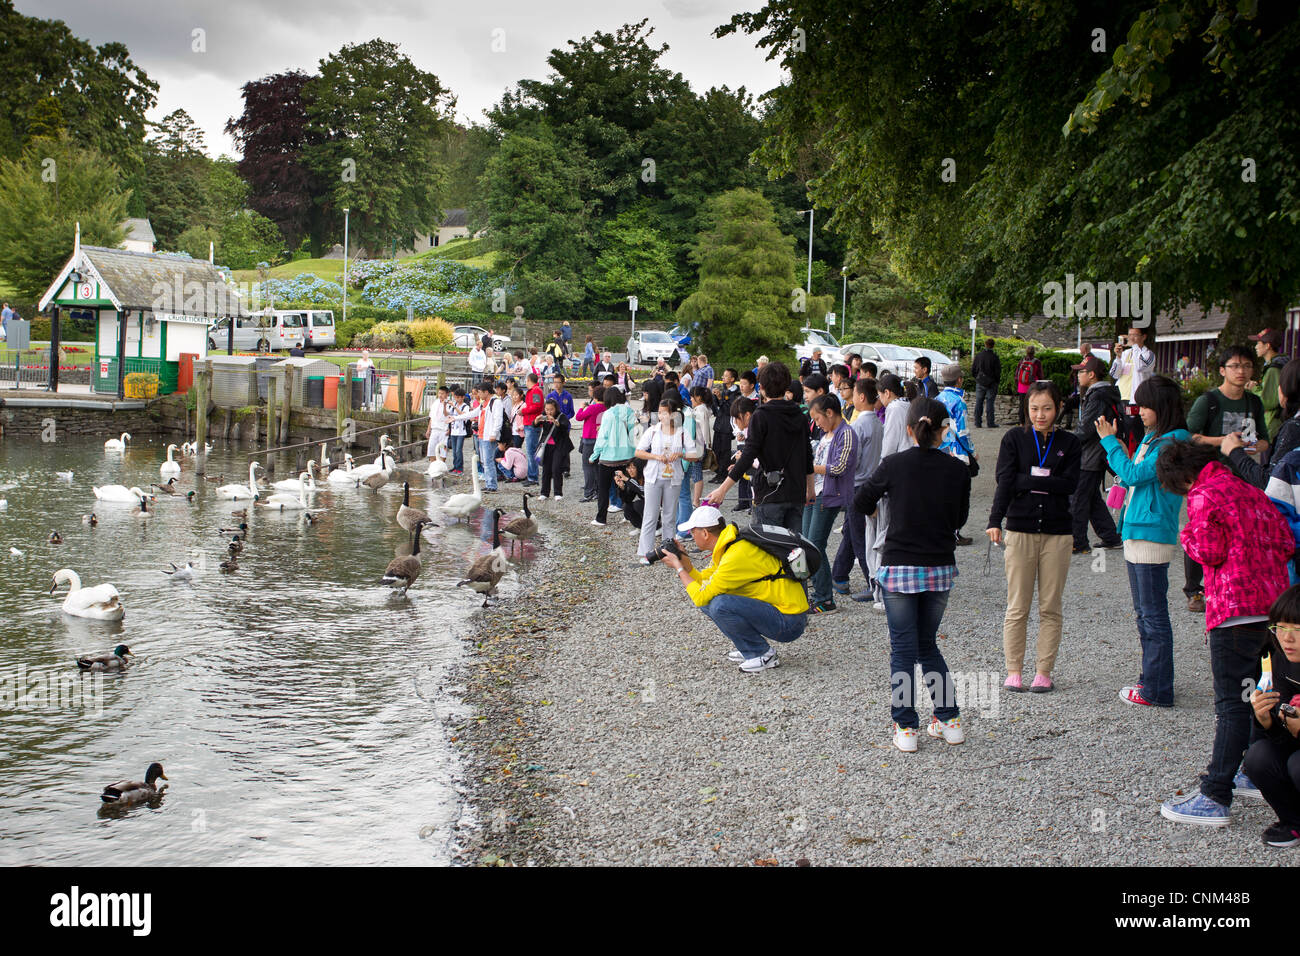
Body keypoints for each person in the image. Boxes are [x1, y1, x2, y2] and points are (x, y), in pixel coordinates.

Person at [1155, 439, 1294, 826]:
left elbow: (1210, 551)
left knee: (1231, 702)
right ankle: (1250, 770)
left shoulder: (1203, 494)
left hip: (1233, 611)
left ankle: (1216, 793)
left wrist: (1186, 535)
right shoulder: (1250, 490)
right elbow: (1285, 542)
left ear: (1182, 476)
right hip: (1272, 610)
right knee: (1258, 693)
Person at [856, 397, 971, 751]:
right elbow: (960, 521)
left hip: (900, 567)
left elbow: (860, 499)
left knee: (903, 649)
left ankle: (906, 727)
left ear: (909, 429)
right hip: (938, 569)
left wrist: (879, 511)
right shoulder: (957, 469)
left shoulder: (893, 465)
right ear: (943, 430)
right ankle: (949, 720)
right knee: (927, 645)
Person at [1097, 375, 1192, 708]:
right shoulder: (1156, 437)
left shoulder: (1173, 442)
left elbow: (1137, 476)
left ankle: (1157, 690)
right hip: (1138, 529)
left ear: (1161, 407)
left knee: (1152, 616)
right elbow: (1132, 476)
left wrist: (1110, 443)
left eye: (1145, 405)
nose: (1139, 412)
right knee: (1146, 615)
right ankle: (1151, 681)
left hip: (1151, 531)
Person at [986, 381, 1081, 694]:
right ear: (1027, 409)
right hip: (1020, 528)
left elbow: (1070, 484)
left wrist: (1027, 480)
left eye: (1047, 408)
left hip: (1057, 532)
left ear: (1058, 408)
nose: (1041, 414)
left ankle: (1043, 671)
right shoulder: (1015, 438)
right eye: (1035, 408)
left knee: (1050, 607)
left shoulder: (1070, 441)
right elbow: (1006, 481)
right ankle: (1014, 669)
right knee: (1018, 606)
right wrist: (994, 520)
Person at [659, 505, 809, 673]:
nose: (691, 537)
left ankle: (761, 653)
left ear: (705, 533)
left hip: (789, 623)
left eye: (693, 532)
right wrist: (687, 565)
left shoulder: (734, 556)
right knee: (712, 601)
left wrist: (679, 568)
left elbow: (700, 596)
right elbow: (704, 583)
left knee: (720, 604)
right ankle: (748, 645)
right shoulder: (730, 544)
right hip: (783, 612)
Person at [1182, 345, 1270, 611]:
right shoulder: (1209, 401)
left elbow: (1265, 439)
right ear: (1222, 370)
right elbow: (1189, 436)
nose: (1241, 371)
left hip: (1242, 473)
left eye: (1246, 366)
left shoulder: (1253, 401)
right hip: (1208, 475)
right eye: (1234, 366)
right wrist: (1224, 442)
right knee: (1202, 529)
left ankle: (1225, 582)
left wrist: (1255, 447)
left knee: (1238, 529)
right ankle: (1193, 589)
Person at [705, 362, 814, 534]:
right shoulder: (800, 414)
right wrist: (810, 488)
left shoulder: (761, 415)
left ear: (761, 387)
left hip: (770, 493)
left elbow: (748, 454)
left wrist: (722, 489)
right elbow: (808, 454)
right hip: (796, 492)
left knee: (767, 550)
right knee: (793, 551)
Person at [1243, 585, 1300, 847]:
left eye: (1297, 630)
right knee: (1258, 756)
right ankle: (1293, 822)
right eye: (1280, 627)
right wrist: (1265, 720)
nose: (1287, 638)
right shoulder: (1278, 660)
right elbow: (1280, 738)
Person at [803, 393, 857, 613]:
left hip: (830, 495)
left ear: (830, 413)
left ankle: (825, 598)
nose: (817, 424)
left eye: (818, 419)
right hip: (814, 492)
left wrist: (808, 467)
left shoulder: (847, 434)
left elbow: (838, 467)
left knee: (815, 544)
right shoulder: (827, 434)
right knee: (807, 544)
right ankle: (817, 593)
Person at [832, 378, 882, 602]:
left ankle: (873, 582)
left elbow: (853, 460)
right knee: (852, 532)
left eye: (853, 394)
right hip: (871, 481)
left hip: (858, 484)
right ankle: (839, 575)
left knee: (860, 536)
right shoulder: (879, 423)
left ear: (861, 397)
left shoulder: (859, 425)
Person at [1070, 354, 1125, 553]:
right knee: (1091, 497)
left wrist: (1066, 444)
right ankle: (1111, 537)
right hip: (1098, 453)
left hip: (1091, 455)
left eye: (1081, 372)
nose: (1078, 375)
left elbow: (1087, 429)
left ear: (1091, 374)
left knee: (1078, 498)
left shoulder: (1098, 395)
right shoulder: (1104, 393)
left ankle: (1077, 542)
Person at [635, 398, 694, 564]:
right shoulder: (653, 431)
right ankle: (646, 553)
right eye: (659, 412)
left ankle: (668, 551)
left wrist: (681, 454)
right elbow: (639, 451)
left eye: (664, 412)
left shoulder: (682, 433)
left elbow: (695, 455)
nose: (661, 416)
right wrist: (655, 456)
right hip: (654, 476)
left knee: (669, 516)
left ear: (674, 414)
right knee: (650, 514)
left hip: (673, 478)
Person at [937, 364, 975, 546]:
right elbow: (962, 431)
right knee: (958, 495)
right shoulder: (958, 402)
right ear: (959, 380)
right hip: (957, 452)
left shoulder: (938, 398)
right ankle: (955, 531)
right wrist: (971, 452)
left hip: (941, 449)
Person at [589, 385, 638, 526]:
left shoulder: (608, 414)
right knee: (625, 486)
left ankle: (601, 518)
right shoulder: (629, 411)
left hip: (609, 458)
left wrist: (594, 455)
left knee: (603, 488)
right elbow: (634, 433)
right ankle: (628, 516)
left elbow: (602, 437)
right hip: (627, 456)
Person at [1111, 325, 1156, 445]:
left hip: (1135, 399)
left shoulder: (1148, 354)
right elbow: (1114, 374)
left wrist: (1134, 346)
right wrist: (1118, 357)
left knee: (1134, 429)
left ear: (1144, 337)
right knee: (1120, 428)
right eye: (1129, 335)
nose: (1131, 338)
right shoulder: (1126, 354)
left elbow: (1141, 366)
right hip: (1120, 397)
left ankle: (1138, 454)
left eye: (1135, 335)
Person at [1250, 328, 1289, 443]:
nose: (1255, 347)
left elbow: (1268, 402)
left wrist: (1253, 388)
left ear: (1267, 346)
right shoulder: (1282, 363)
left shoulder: (1273, 369)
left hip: (1273, 426)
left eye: (1258, 343)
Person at [536, 398, 573, 500]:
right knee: (546, 469)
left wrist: (557, 424)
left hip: (559, 446)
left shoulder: (561, 416)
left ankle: (558, 493)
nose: (549, 411)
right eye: (547, 409)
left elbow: (566, 428)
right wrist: (536, 421)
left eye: (551, 409)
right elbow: (536, 425)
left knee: (556, 469)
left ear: (556, 408)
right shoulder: (544, 416)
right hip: (546, 446)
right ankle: (544, 493)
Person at [575, 384, 606, 502]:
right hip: (601, 440)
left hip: (589, 438)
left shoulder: (592, 407)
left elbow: (579, 417)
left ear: (595, 396)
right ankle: (598, 491)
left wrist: (581, 407)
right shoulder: (607, 408)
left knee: (587, 466)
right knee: (598, 466)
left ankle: (588, 492)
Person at [474, 380, 504, 492]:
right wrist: (456, 418)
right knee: (484, 461)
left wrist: (494, 433)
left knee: (488, 461)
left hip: (489, 436)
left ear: (486, 392)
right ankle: (488, 483)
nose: (479, 395)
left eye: (480, 392)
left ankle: (492, 485)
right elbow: (474, 413)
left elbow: (498, 419)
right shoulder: (484, 404)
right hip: (481, 435)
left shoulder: (496, 402)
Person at [520, 373, 545, 485]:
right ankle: (532, 475)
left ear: (529, 379)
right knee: (530, 450)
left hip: (532, 423)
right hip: (529, 422)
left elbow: (537, 406)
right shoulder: (534, 391)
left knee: (531, 450)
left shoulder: (536, 391)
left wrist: (523, 411)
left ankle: (533, 477)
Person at [972, 338, 1001, 428]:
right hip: (991, 383)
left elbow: (973, 369)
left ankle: (977, 422)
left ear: (985, 344)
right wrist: (996, 381)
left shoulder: (979, 356)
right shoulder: (995, 357)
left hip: (980, 381)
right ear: (993, 345)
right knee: (990, 402)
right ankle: (990, 422)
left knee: (979, 401)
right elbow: (998, 371)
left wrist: (977, 377)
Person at [612, 460, 646, 532]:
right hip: (648, 504)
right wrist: (622, 487)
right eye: (628, 468)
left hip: (659, 505)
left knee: (638, 504)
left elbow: (642, 490)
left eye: (633, 468)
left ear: (640, 468)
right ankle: (640, 527)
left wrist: (627, 479)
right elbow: (628, 499)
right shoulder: (632, 480)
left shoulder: (647, 477)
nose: (630, 471)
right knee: (627, 506)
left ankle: (658, 527)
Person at [1015, 346, 1042, 426]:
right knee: (1032, 404)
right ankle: (1029, 421)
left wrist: (1018, 384)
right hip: (1032, 386)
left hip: (1021, 386)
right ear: (1034, 352)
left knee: (1022, 404)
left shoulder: (1022, 361)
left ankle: (1021, 422)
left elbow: (1016, 374)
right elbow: (1040, 374)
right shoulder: (1037, 362)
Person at [447, 386, 469, 474]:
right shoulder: (453, 406)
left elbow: (463, 416)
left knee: (458, 450)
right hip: (453, 431)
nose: (457, 399)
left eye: (459, 397)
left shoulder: (465, 407)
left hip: (461, 431)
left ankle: (460, 467)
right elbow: (449, 415)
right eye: (456, 397)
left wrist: (454, 407)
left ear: (463, 397)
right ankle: (455, 466)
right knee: (454, 450)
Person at [426, 384, 451, 462]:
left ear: (447, 394)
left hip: (443, 429)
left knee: (443, 449)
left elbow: (448, 415)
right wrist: (428, 430)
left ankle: (441, 465)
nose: (440, 395)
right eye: (439, 393)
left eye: (442, 393)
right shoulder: (435, 403)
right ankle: (433, 465)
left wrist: (444, 405)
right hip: (434, 429)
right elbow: (431, 417)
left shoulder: (449, 403)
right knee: (431, 448)